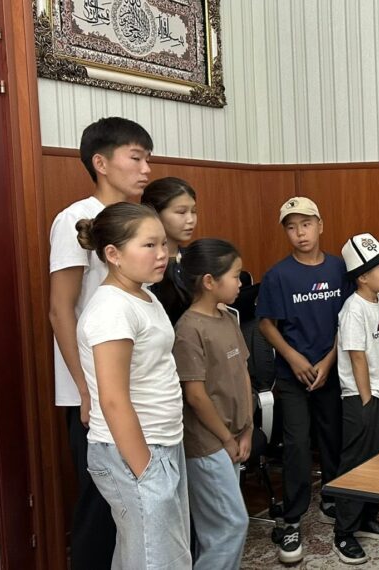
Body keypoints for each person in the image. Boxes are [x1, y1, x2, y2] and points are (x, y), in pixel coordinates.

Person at [48, 116, 152, 569]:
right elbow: (60, 310)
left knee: (136, 504)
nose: (146, 169)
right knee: (100, 506)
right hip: (92, 390)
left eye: (148, 159)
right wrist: (85, 389)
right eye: (136, 158)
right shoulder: (74, 219)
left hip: (133, 384)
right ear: (101, 163)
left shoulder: (134, 220)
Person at [75, 202, 190, 568]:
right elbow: (112, 399)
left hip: (161, 442)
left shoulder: (143, 294)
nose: (162, 254)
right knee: (156, 561)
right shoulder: (112, 309)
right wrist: (145, 470)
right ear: (113, 254)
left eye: (163, 243)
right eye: (149, 245)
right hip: (136, 451)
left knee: (154, 557)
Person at [256, 196, 348, 564]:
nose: (300, 233)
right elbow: (266, 323)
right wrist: (293, 357)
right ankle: (292, 518)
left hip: (331, 368)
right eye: (292, 227)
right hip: (293, 374)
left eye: (306, 224)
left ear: (320, 225)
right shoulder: (279, 275)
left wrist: (329, 360)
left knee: (333, 436)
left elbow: (349, 319)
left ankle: (333, 496)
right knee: (296, 444)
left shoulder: (339, 268)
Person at [173, 238, 252, 569]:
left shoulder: (227, 318)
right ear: (209, 281)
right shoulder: (189, 329)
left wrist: (247, 429)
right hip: (208, 443)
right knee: (231, 525)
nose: (240, 282)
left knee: (222, 528)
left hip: (232, 436)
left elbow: (242, 371)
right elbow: (195, 395)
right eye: (235, 275)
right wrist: (226, 438)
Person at [332, 233, 379, 565]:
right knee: (356, 462)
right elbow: (357, 356)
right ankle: (344, 532)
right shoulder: (353, 309)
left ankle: (368, 517)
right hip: (364, 398)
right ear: (362, 276)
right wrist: (365, 401)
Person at [143, 176, 198, 325]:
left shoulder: (195, 259)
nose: (190, 220)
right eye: (181, 212)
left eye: (194, 211)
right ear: (155, 213)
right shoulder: (142, 263)